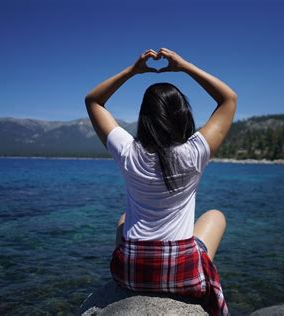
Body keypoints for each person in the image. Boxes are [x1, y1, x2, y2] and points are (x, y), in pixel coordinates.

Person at [85, 48, 237, 315]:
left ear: (144, 117)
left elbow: (93, 101)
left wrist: (133, 71)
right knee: (216, 215)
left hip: (130, 271)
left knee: (123, 219)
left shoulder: (127, 150)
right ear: (183, 115)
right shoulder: (194, 152)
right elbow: (228, 99)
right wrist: (185, 66)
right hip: (183, 272)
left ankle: (138, 269)